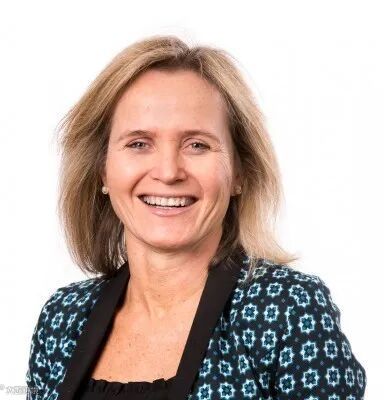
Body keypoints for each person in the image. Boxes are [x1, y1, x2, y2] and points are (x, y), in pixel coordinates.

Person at [25, 35, 366, 400]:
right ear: (102, 171)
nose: (168, 172)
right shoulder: (64, 318)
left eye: (197, 145)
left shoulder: (288, 310)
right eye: (138, 143)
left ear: (239, 172)